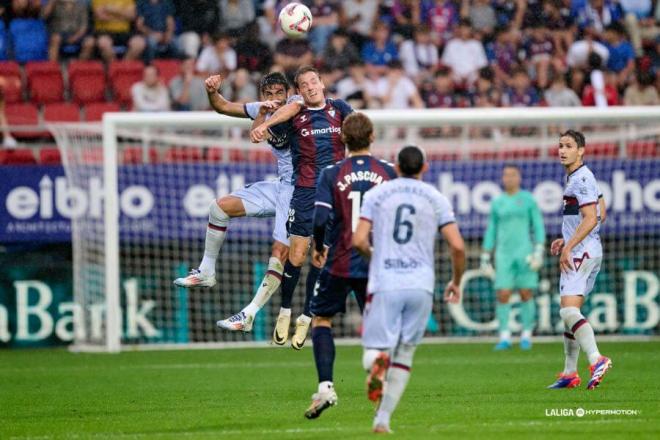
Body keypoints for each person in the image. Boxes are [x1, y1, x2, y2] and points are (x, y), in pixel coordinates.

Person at [175, 72, 300, 335]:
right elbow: (223, 106)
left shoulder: (297, 105)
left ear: (288, 93)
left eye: (280, 93)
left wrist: (265, 121)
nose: (275, 99)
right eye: (269, 94)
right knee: (219, 207)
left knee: (280, 253)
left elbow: (282, 116)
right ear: (263, 95)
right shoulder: (262, 109)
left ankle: (249, 314)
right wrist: (211, 91)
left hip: (302, 191)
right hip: (281, 185)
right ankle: (206, 271)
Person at [353, 145, 465, 433]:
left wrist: (373, 255)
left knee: (376, 348)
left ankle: (377, 363)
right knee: (405, 353)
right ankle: (383, 420)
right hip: (421, 285)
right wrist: (456, 281)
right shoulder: (436, 197)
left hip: (386, 281)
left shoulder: (377, 194)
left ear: (396, 168)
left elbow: (359, 241)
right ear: (424, 168)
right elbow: (457, 245)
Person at [251, 65, 354, 349]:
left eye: (313, 81)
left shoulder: (340, 108)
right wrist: (264, 124)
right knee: (296, 256)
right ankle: (285, 311)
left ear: (322, 83)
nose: (310, 87)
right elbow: (280, 134)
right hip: (305, 192)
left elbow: (359, 132)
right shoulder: (296, 113)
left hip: (334, 194)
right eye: (303, 84)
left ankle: (306, 317)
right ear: (298, 92)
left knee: (321, 258)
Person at [304, 112, 397, 419]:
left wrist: (318, 246)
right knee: (378, 325)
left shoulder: (332, 173)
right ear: (372, 137)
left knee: (322, 320)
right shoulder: (388, 171)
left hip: (340, 260)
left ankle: (326, 387)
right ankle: (378, 369)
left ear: (342, 138)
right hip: (375, 261)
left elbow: (318, 218)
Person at [547, 129, 611, 390]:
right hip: (589, 249)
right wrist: (568, 239)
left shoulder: (580, 179)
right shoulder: (581, 176)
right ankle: (569, 373)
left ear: (581, 150)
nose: (562, 150)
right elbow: (601, 213)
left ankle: (596, 359)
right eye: (560, 145)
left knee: (568, 311)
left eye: (569, 146)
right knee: (569, 313)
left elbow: (591, 217)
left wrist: (569, 246)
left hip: (581, 252)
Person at [480, 164, 545, 351]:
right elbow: (491, 229)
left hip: (524, 252)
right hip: (503, 254)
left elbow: (538, 225)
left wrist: (539, 250)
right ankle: (504, 336)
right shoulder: (497, 202)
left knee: (526, 292)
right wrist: (486, 254)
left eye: (512, 175)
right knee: (503, 294)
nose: (509, 178)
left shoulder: (528, 199)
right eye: (506, 175)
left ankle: (526, 335)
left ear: (519, 177)